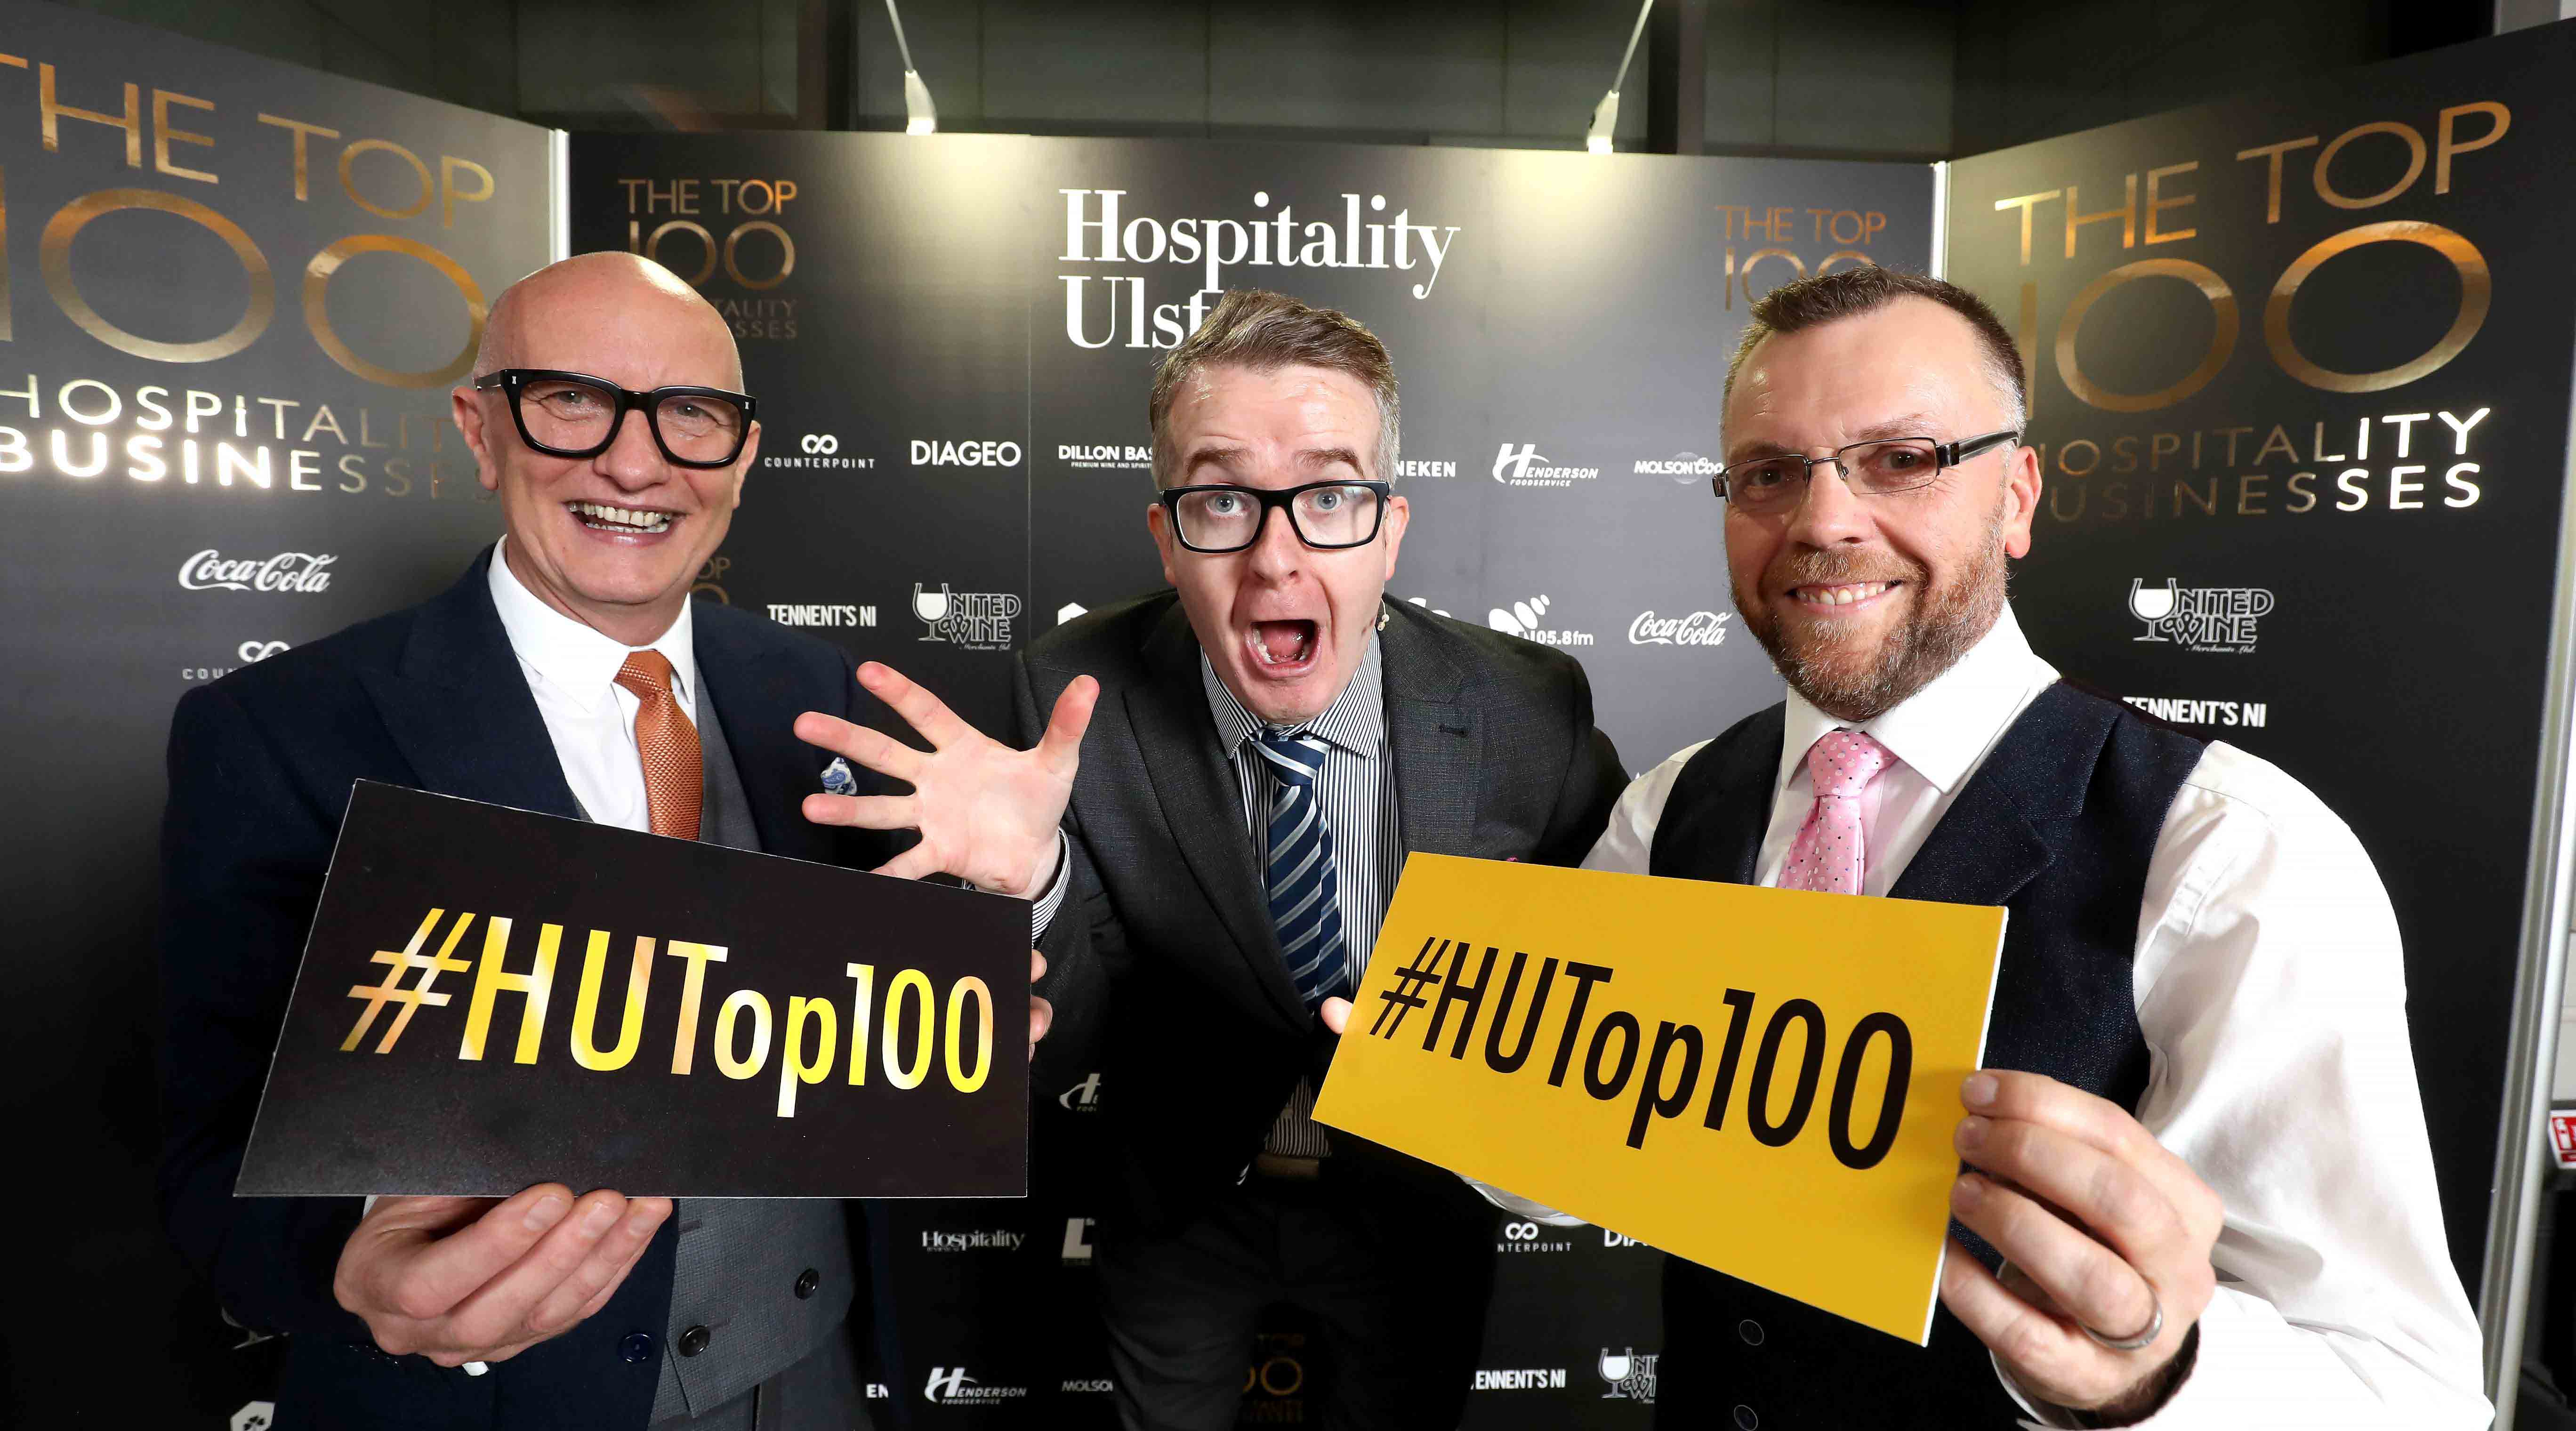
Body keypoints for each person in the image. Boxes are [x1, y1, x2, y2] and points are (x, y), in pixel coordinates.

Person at [1573, 265, 2487, 1427]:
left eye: (1902, 458)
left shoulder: (2233, 859)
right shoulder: (1670, 806)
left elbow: (2407, 1392)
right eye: (1769, 473)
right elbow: (1562, 1156)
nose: (1823, 520)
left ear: (2016, 496)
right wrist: (1443, 1051)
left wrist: (2160, 1373)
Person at [157, 251, 1051, 1431]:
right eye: (572, 400)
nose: (635, 462)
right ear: (482, 430)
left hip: (812, 1370)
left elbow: (941, 1031)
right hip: (490, 1404)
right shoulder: (277, 732)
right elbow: (210, 1151)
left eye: (692, 415)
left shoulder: (816, 688)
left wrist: (1022, 890)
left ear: (741, 458)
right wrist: (350, 1263)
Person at [798, 288, 1627, 1430]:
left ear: (1390, 529)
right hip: (1180, 1200)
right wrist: (1029, 884)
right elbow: (1077, 1028)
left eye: (1330, 494)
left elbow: (1615, 967)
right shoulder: (1073, 692)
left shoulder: (1529, 705)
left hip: (1421, 1195)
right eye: (1224, 498)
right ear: (1166, 535)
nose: (1276, 556)